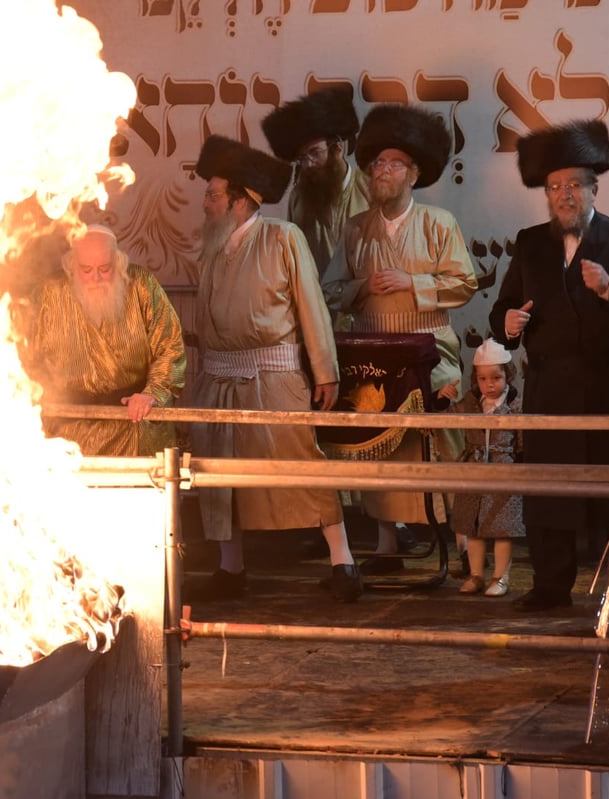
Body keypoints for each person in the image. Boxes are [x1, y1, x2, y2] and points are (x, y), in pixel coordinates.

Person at [189, 134, 362, 602]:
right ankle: (231, 569)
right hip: (218, 380)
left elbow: (311, 305)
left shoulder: (283, 237)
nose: (205, 202)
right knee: (218, 475)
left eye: (213, 194)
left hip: (274, 376)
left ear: (243, 201)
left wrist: (325, 371)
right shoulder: (212, 247)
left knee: (302, 465)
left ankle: (343, 563)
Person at [322, 104, 478, 570]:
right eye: (376, 165)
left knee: (441, 443)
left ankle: (467, 546)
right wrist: (362, 287)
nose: (382, 172)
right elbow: (329, 289)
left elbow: (465, 284)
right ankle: (388, 544)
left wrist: (414, 283)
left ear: (413, 174)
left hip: (430, 354)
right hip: (372, 358)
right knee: (379, 446)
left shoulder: (438, 224)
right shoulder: (354, 229)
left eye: (393, 165)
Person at [489, 118, 609, 612]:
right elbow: (501, 312)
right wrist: (511, 324)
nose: (564, 196)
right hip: (549, 390)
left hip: (606, 390)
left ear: (593, 189)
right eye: (555, 187)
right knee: (549, 493)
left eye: (573, 186)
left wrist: (608, 288)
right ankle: (549, 587)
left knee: (607, 496)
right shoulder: (530, 242)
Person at [24, 225, 186, 456]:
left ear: (119, 263)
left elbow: (170, 346)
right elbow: (25, 356)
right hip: (68, 431)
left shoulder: (142, 284)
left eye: (105, 268)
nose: (96, 277)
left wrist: (152, 393)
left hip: (133, 425)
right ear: (71, 266)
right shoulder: (49, 294)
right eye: (86, 269)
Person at [261, 85, 371, 281]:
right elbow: (293, 257)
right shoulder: (298, 196)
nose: (308, 164)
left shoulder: (371, 191)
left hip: (363, 305)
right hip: (317, 306)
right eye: (302, 158)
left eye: (315, 153)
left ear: (337, 148)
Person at [441, 338, 523, 597]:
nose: (489, 385)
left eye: (496, 378)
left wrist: (520, 465)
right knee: (472, 526)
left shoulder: (515, 408)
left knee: (501, 527)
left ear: (507, 377)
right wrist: (444, 399)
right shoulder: (470, 404)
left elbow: (521, 440)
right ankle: (476, 574)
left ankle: (500, 577)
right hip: (473, 467)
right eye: (483, 379)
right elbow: (449, 417)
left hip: (503, 469)